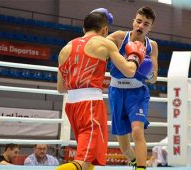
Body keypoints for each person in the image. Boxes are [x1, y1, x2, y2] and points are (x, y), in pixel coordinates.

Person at [56, 8, 146, 170]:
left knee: (89, 159)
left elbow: (61, 88)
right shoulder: (104, 43)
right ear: (105, 30)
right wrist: (135, 57)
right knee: (83, 162)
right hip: (90, 106)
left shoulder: (65, 48)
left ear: (84, 29)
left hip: (71, 106)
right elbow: (130, 71)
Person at [107, 6, 158, 170]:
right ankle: (136, 162)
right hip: (117, 92)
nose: (141, 26)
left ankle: (141, 168)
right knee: (124, 147)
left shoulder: (152, 46)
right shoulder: (119, 38)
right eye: (139, 21)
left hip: (137, 94)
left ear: (150, 27)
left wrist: (147, 70)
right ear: (133, 21)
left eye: (146, 24)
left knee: (137, 131)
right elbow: (96, 46)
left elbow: (154, 79)